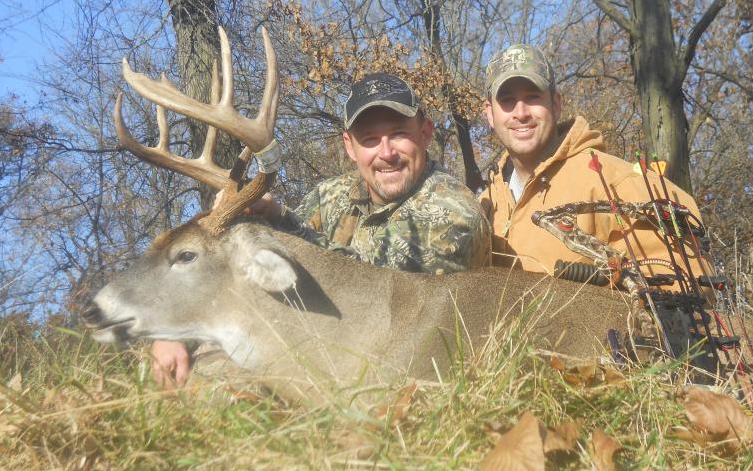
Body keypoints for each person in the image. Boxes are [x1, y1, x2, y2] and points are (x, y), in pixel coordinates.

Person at [153, 73, 491, 386]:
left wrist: (281, 221)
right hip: (335, 354)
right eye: (370, 139)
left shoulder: (451, 211)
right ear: (349, 146)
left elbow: (377, 298)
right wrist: (174, 328)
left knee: (232, 383)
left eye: (399, 134)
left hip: (416, 371)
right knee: (200, 372)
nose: (386, 153)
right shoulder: (331, 196)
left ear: (426, 133)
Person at [479, 44, 704, 281]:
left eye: (533, 97)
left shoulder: (616, 183)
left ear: (556, 105)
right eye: (507, 100)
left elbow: (685, 282)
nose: (521, 112)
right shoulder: (482, 205)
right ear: (490, 114)